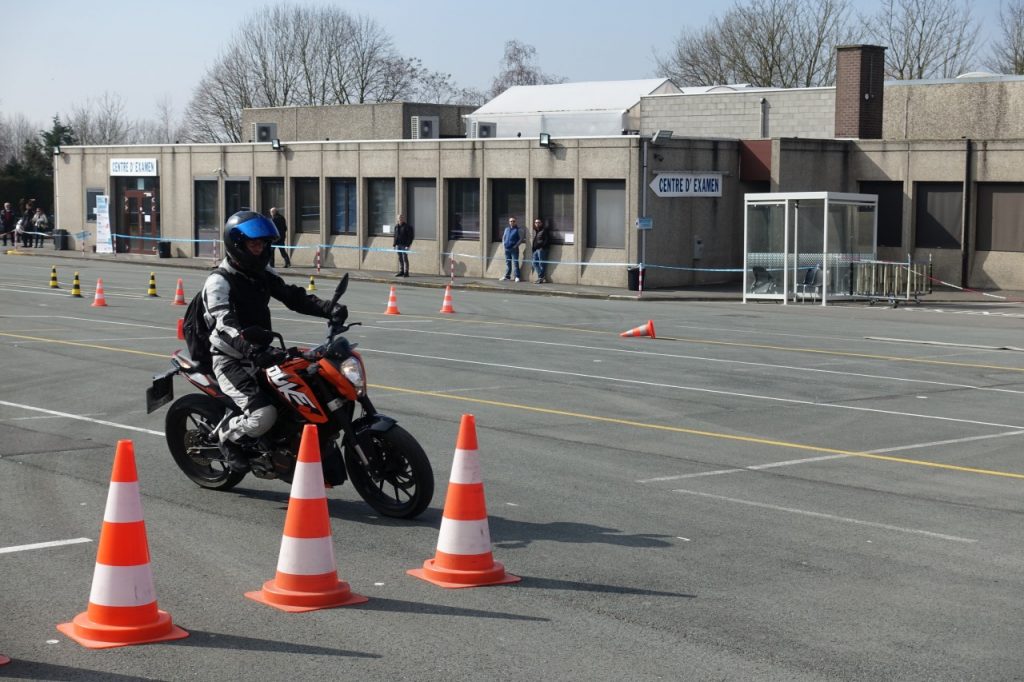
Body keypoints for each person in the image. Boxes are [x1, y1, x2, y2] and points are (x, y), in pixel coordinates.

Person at [203, 211, 347, 472]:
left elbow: (292, 296)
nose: (259, 249)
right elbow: (223, 325)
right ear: (237, 244)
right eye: (253, 244)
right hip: (231, 360)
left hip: (263, 352)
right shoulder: (218, 282)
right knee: (264, 414)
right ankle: (228, 438)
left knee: (306, 391)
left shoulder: (261, 273)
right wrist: (252, 350)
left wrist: (328, 308)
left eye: (262, 244)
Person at [500, 216, 522, 282]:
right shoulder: (506, 229)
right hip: (507, 249)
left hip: (514, 249)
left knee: (515, 263)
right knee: (508, 263)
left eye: (513, 221)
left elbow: (520, 239)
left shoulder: (518, 229)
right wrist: (503, 244)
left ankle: (517, 276)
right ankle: (507, 276)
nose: (512, 222)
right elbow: (503, 237)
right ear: (509, 222)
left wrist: (516, 246)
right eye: (510, 221)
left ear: (515, 222)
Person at [530, 217, 551, 284]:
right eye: (536, 222)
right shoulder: (536, 230)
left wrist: (542, 247)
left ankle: (540, 278)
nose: (537, 224)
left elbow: (547, 240)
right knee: (534, 263)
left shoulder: (544, 230)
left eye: (538, 222)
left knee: (541, 264)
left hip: (542, 250)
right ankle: (541, 276)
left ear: (541, 223)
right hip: (536, 250)